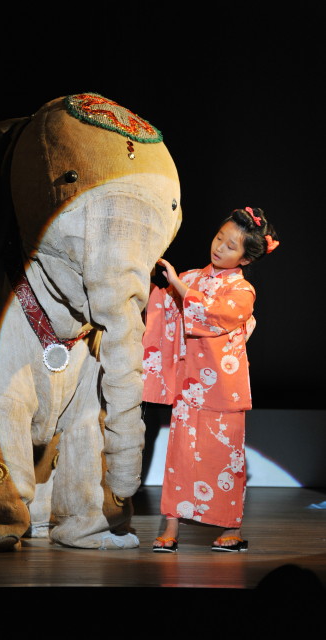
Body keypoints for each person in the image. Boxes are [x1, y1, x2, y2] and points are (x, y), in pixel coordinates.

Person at [142, 207, 279, 552]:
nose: (219, 247)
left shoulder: (243, 290)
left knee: (225, 461)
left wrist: (177, 285)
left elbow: (213, 314)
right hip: (190, 383)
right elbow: (165, 305)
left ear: (245, 258)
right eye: (219, 238)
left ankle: (230, 529)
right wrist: (152, 284)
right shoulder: (193, 277)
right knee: (179, 457)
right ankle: (171, 528)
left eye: (231, 246)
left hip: (223, 387)